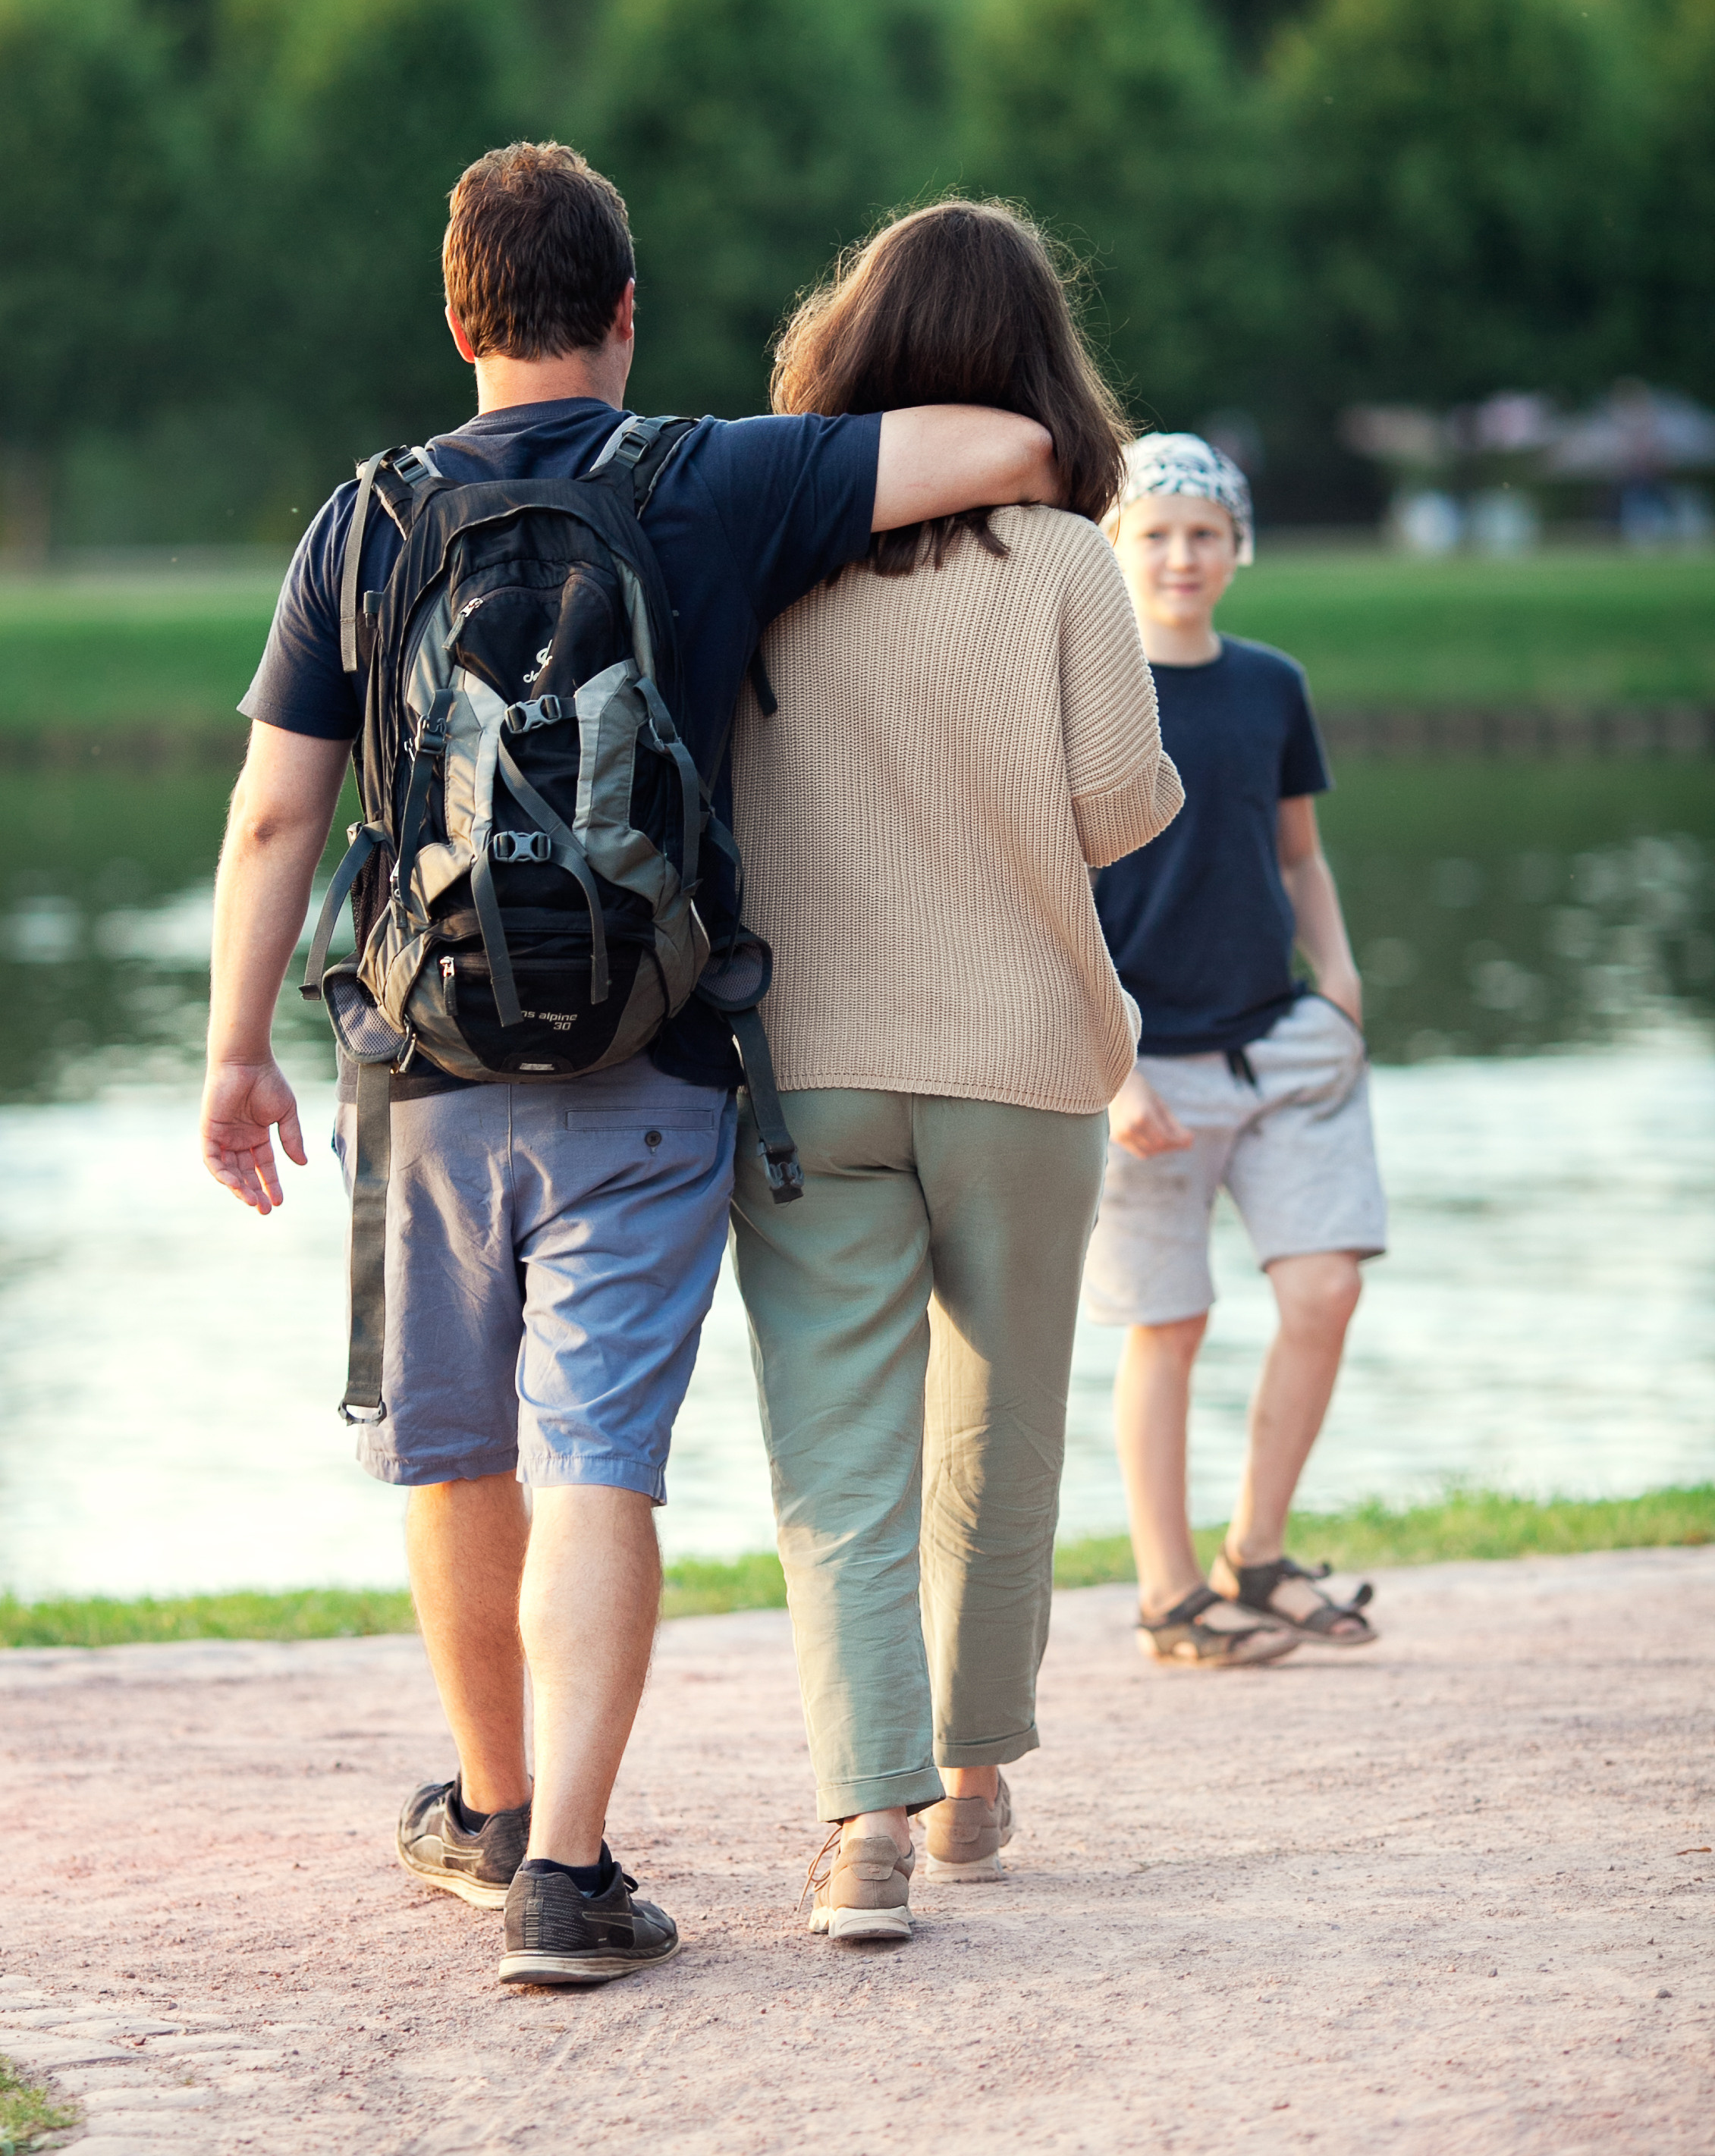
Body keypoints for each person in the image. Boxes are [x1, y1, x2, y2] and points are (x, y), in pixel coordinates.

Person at [198, 142, 1067, 1988]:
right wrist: (849, 436)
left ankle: (497, 1808)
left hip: (417, 1075)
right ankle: (570, 1878)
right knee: (602, 1454)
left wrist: (228, 1055)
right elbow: (1015, 454)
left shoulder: (359, 523)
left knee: (453, 1448)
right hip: (658, 1055)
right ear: (625, 312)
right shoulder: (714, 476)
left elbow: (278, 819)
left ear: (454, 317)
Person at [727, 200, 1184, 1944]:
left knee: (837, 1457)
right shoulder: (1070, 558)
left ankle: (865, 1828)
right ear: (1033, 365)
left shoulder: (770, 542)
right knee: (997, 1429)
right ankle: (977, 1770)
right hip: (1024, 1058)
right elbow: (1117, 809)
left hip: (812, 1064)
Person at [1088, 433, 1387, 1667]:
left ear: (1236, 547)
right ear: (1112, 544)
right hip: (1142, 1067)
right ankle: (1169, 1598)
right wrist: (1111, 1071)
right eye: (1154, 531)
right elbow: (1047, 895)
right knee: (1169, 1327)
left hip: (1279, 1046)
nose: (1179, 554)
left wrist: (1344, 974)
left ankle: (1254, 1556)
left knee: (1323, 1288)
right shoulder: (1090, 690)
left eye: (1203, 533)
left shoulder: (1270, 684)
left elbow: (1297, 856)